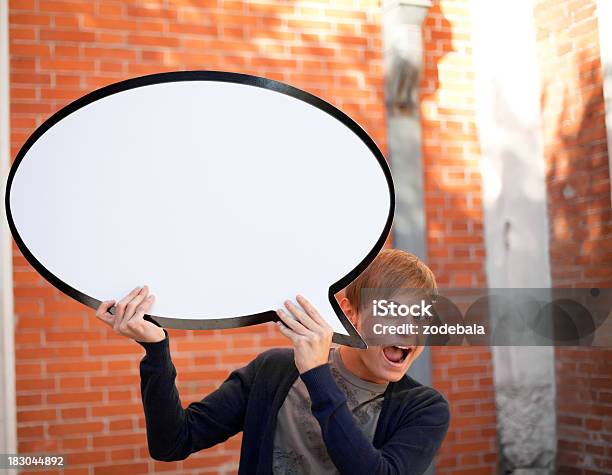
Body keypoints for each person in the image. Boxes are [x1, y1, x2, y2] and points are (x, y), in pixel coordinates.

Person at [94, 249, 450, 474]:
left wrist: (316, 375)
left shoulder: (424, 409)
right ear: (350, 313)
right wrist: (156, 350)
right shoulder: (274, 372)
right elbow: (172, 443)